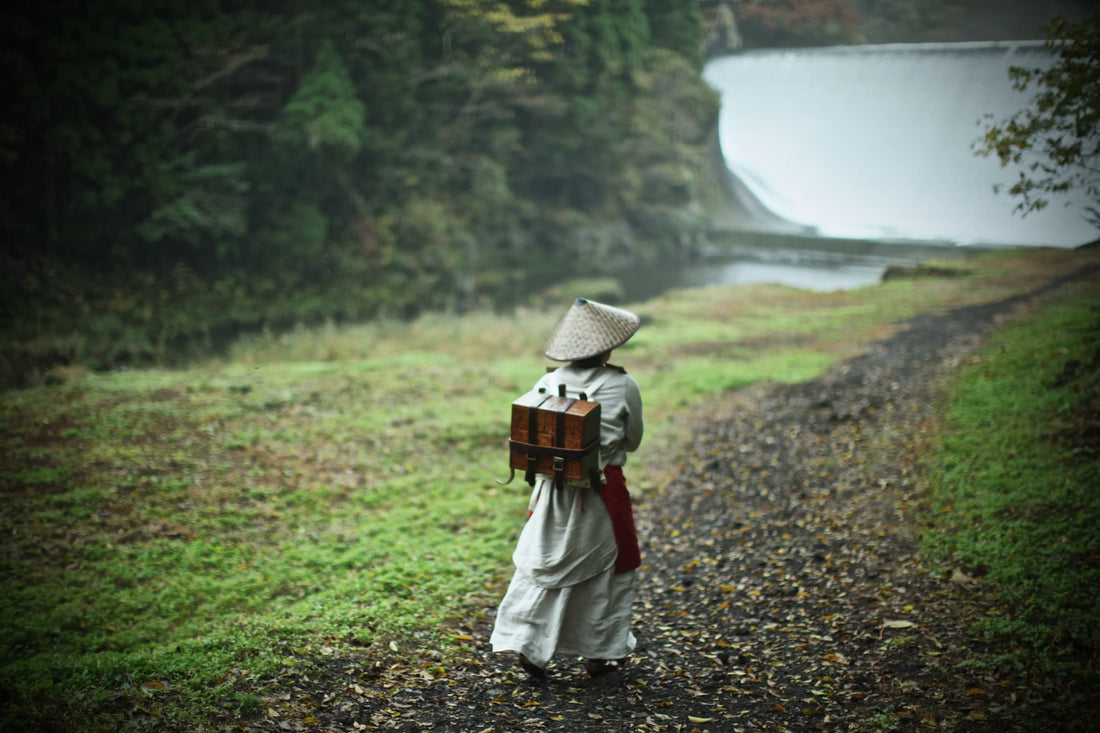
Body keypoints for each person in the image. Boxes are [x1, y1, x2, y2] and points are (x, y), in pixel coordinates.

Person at [490, 297, 645, 682]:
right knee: (605, 571)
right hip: (601, 493)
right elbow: (633, 440)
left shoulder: (545, 382)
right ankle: (599, 653)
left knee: (543, 562)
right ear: (608, 345)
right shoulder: (623, 384)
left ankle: (529, 644)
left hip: (550, 493)